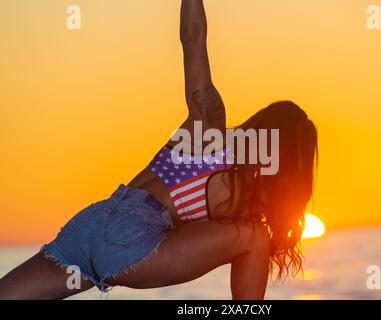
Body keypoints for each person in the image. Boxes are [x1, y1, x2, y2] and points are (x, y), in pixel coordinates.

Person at [0, 0, 318, 300]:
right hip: (128, 240)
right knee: (255, 238)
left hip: (86, 227)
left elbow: (194, 40)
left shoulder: (206, 130)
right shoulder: (242, 200)